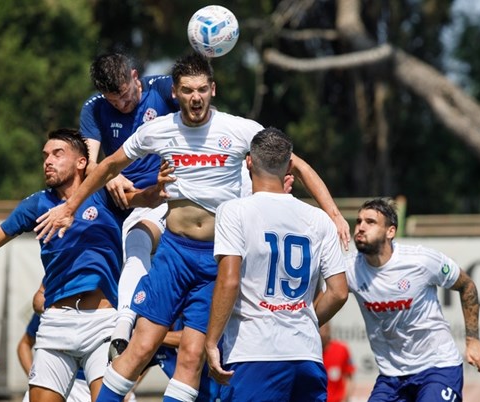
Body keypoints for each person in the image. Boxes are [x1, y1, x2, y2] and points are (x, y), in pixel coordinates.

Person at [35, 52, 349, 402]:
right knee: (140, 347)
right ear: (176, 92)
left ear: (213, 89)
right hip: (174, 252)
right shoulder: (158, 130)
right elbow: (108, 166)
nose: (195, 97)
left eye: (202, 89)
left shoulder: (240, 129)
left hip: (217, 259)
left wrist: (334, 214)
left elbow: (298, 165)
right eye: (187, 90)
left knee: (191, 356)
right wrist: (70, 207)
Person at [0, 128, 167, 402]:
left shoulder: (105, 194)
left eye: (58, 154)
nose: (48, 160)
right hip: (56, 323)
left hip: (103, 323)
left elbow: (145, 199)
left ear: (82, 162)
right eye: (45, 155)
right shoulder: (37, 204)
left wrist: (159, 187)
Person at [204, 127, 349, 401]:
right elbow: (340, 291)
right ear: (288, 166)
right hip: (307, 355)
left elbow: (229, 280)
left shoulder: (234, 211)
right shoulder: (318, 219)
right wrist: (302, 318)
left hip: (255, 354)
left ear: (249, 161)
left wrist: (211, 341)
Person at [80, 52, 178, 356]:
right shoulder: (93, 109)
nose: (121, 106)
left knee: (137, 239)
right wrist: (110, 177)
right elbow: (90, 162)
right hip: (121, 201)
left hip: (165, 193)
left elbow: (199, 107)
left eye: (124, 96)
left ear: (135, 77)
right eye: (113, 101)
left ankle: (124, 326)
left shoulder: (162, 89)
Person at [347, 198, 480, 402]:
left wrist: (473, 340)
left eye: (370, 222)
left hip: (438, 367)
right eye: (358, 221)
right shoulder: (349, 269)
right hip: (391, 377)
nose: (360, 228)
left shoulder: (421, 260)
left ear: (390, 232)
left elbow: (467, 285)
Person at [17, 314, 90, 402]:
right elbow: (24, 344)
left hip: (87, 386)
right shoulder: (48, 306)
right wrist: (35, 378)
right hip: (49, 380)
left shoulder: (106, 308)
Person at [320, 323, 355, 402]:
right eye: (318, 329)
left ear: (328, 330)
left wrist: (345, 399)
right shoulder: (310, 354)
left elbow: (349, 378)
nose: (320, 333)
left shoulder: (341, 350)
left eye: (323, 329)